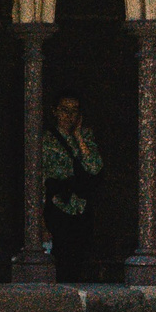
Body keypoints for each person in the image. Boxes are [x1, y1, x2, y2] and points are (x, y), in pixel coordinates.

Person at [41, 93, 104, 282]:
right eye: (64, 110)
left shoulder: (86, 137)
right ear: (55, 112)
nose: (69, 115)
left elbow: (95, 167)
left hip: (81, 206)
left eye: (74, 110)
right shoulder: (46, 140)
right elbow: (39, 181)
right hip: (57, 206)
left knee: (80, 260)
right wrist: (41, 224)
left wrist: (78, 136)